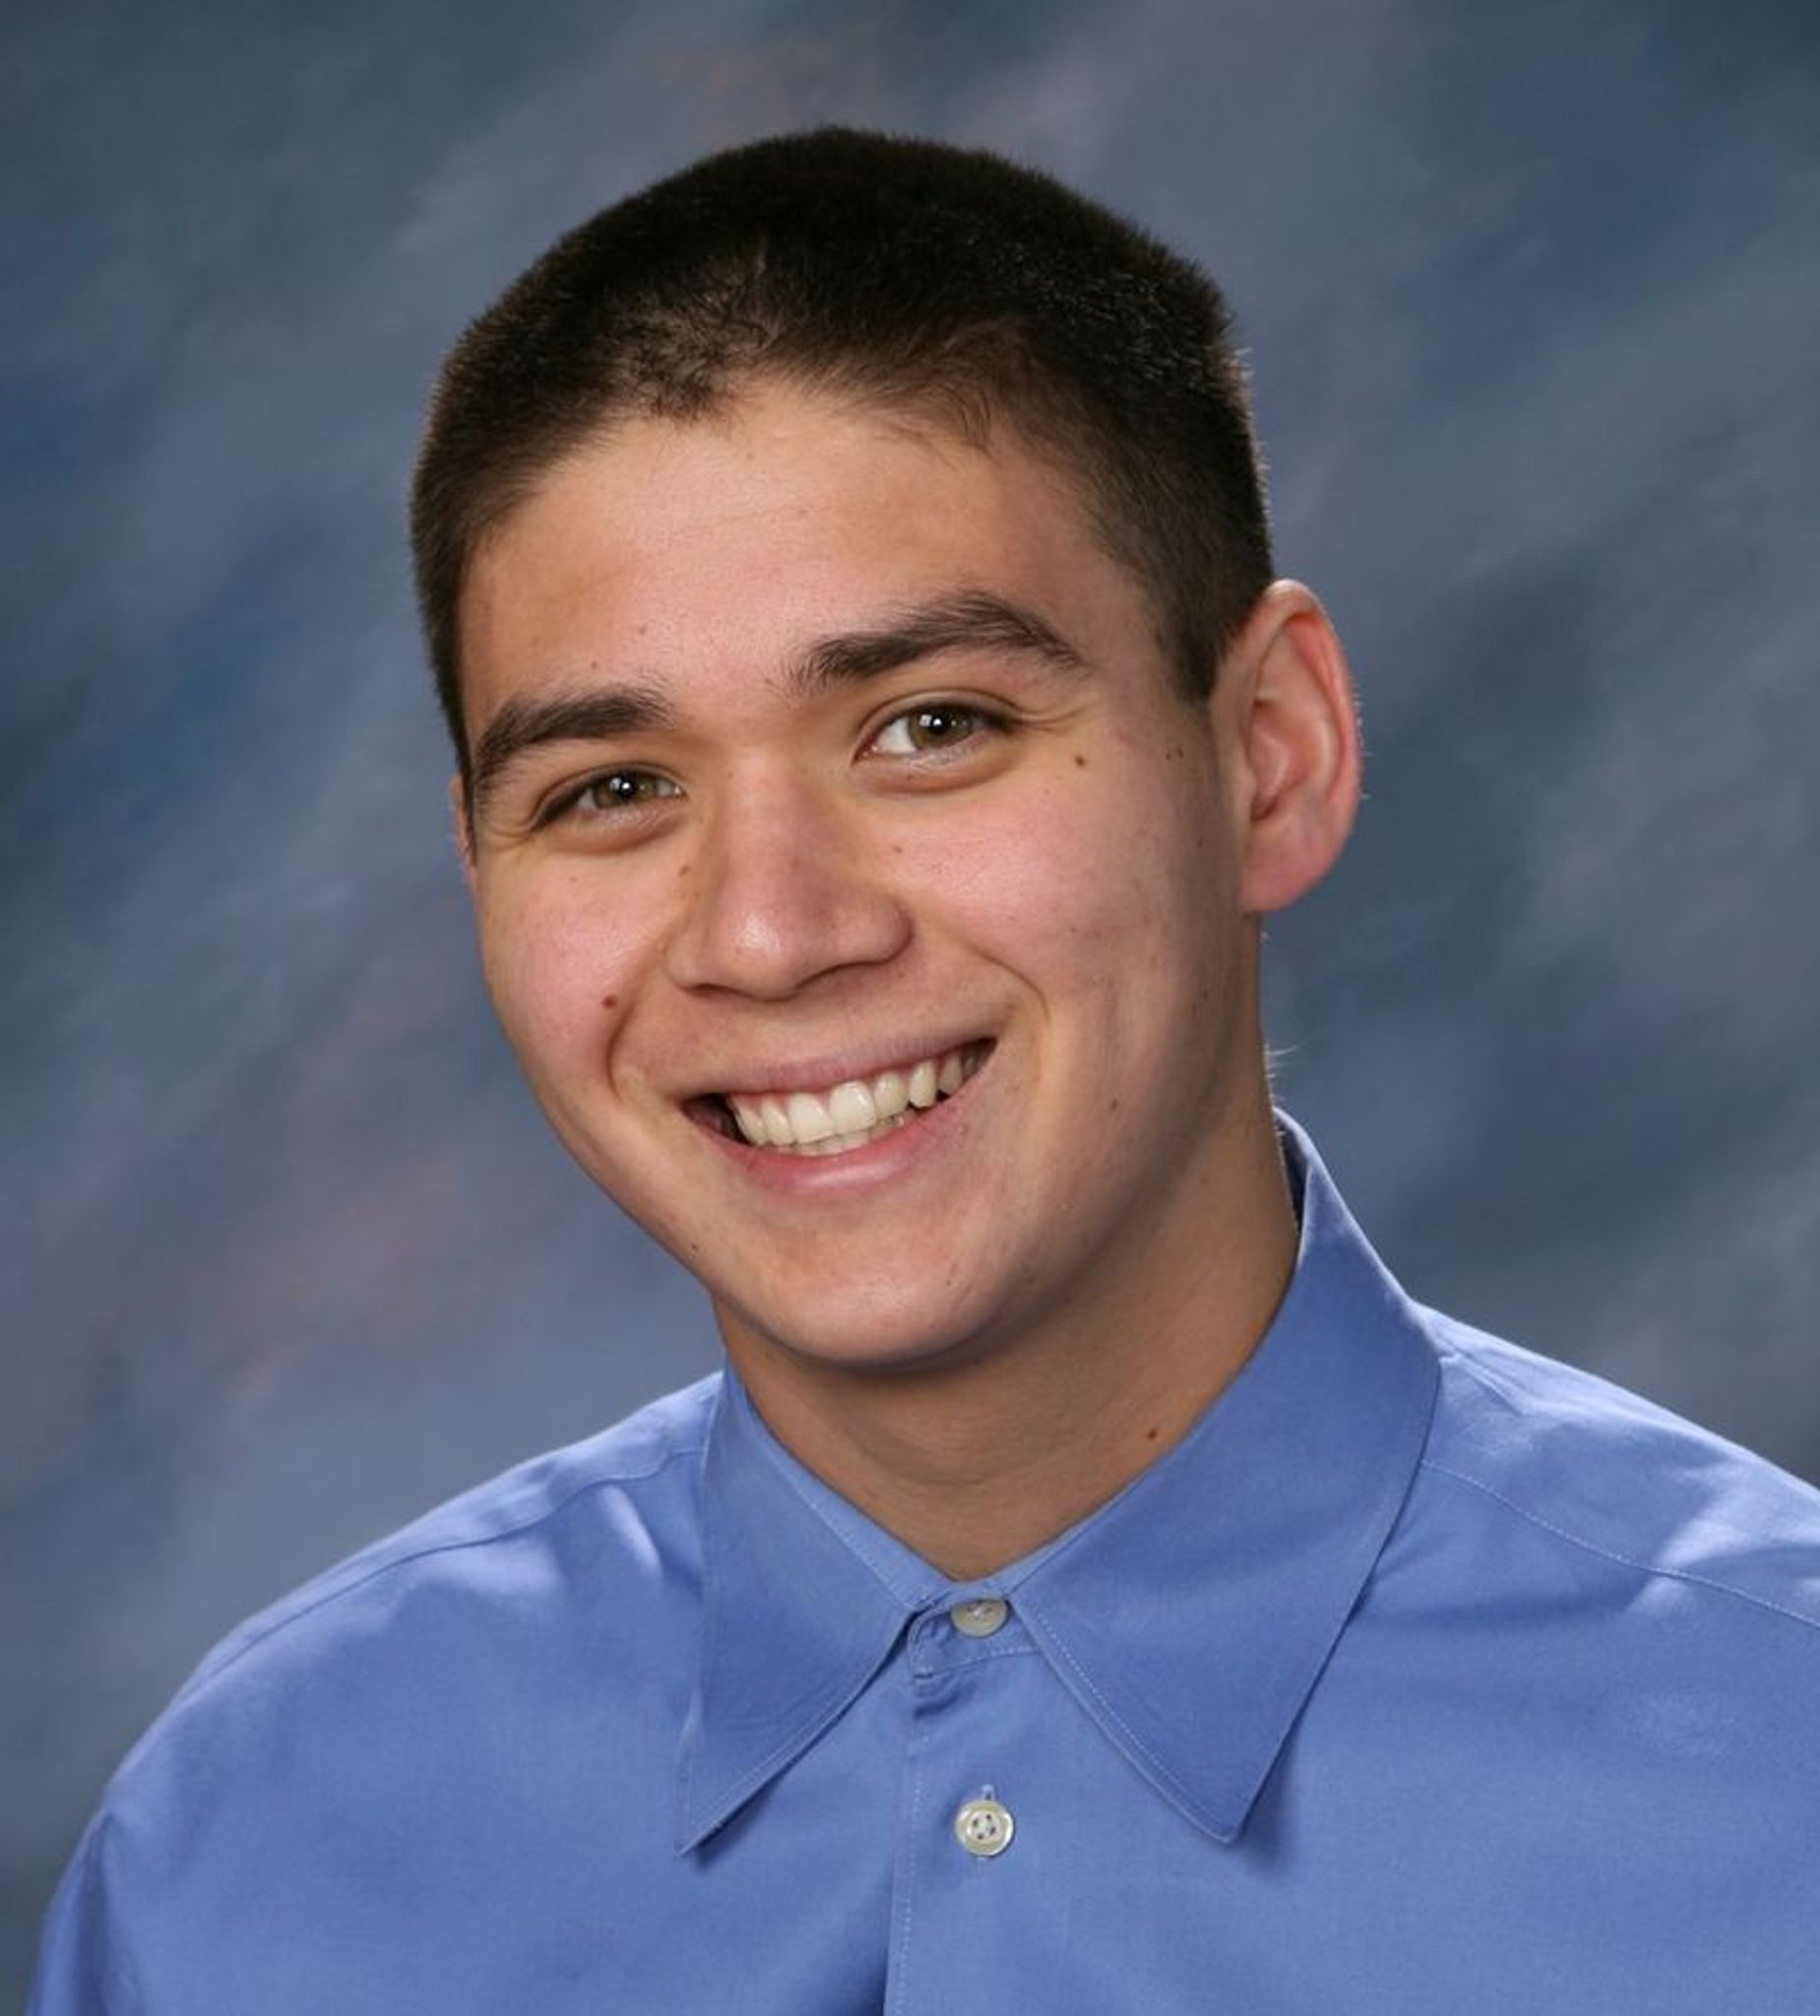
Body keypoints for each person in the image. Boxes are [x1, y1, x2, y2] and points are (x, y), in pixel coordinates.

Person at [31, 128, 1820, 2014]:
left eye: (929, 726)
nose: (768, 931)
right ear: (479, 865)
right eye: (612, 787)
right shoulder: (249, 1853)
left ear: (1268, 756)